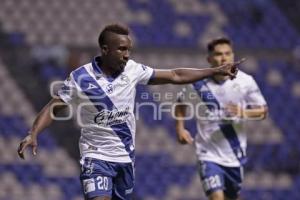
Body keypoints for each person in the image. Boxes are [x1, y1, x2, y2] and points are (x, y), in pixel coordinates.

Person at [17, 24, 242, 200]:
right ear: (105, 50)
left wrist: (214, 71)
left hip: (125, 158)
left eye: (129, 50)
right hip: (95, 156)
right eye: (122, 49)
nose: (126, 54)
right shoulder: (81, 78)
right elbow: (54, 106)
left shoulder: (133, 70)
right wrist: (33, 132)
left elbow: (175, 75)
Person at [175, 37, 268, 200]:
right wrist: (180, 128)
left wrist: (244, 113)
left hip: (234, 154)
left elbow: (263, 112)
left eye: (227, 53)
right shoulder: (198, 84)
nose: (224, 58)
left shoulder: (246, 81)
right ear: (209, 59)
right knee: (217, 197)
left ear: (233, 55)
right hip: (207, 154)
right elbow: (181, 103)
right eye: (218, 54)